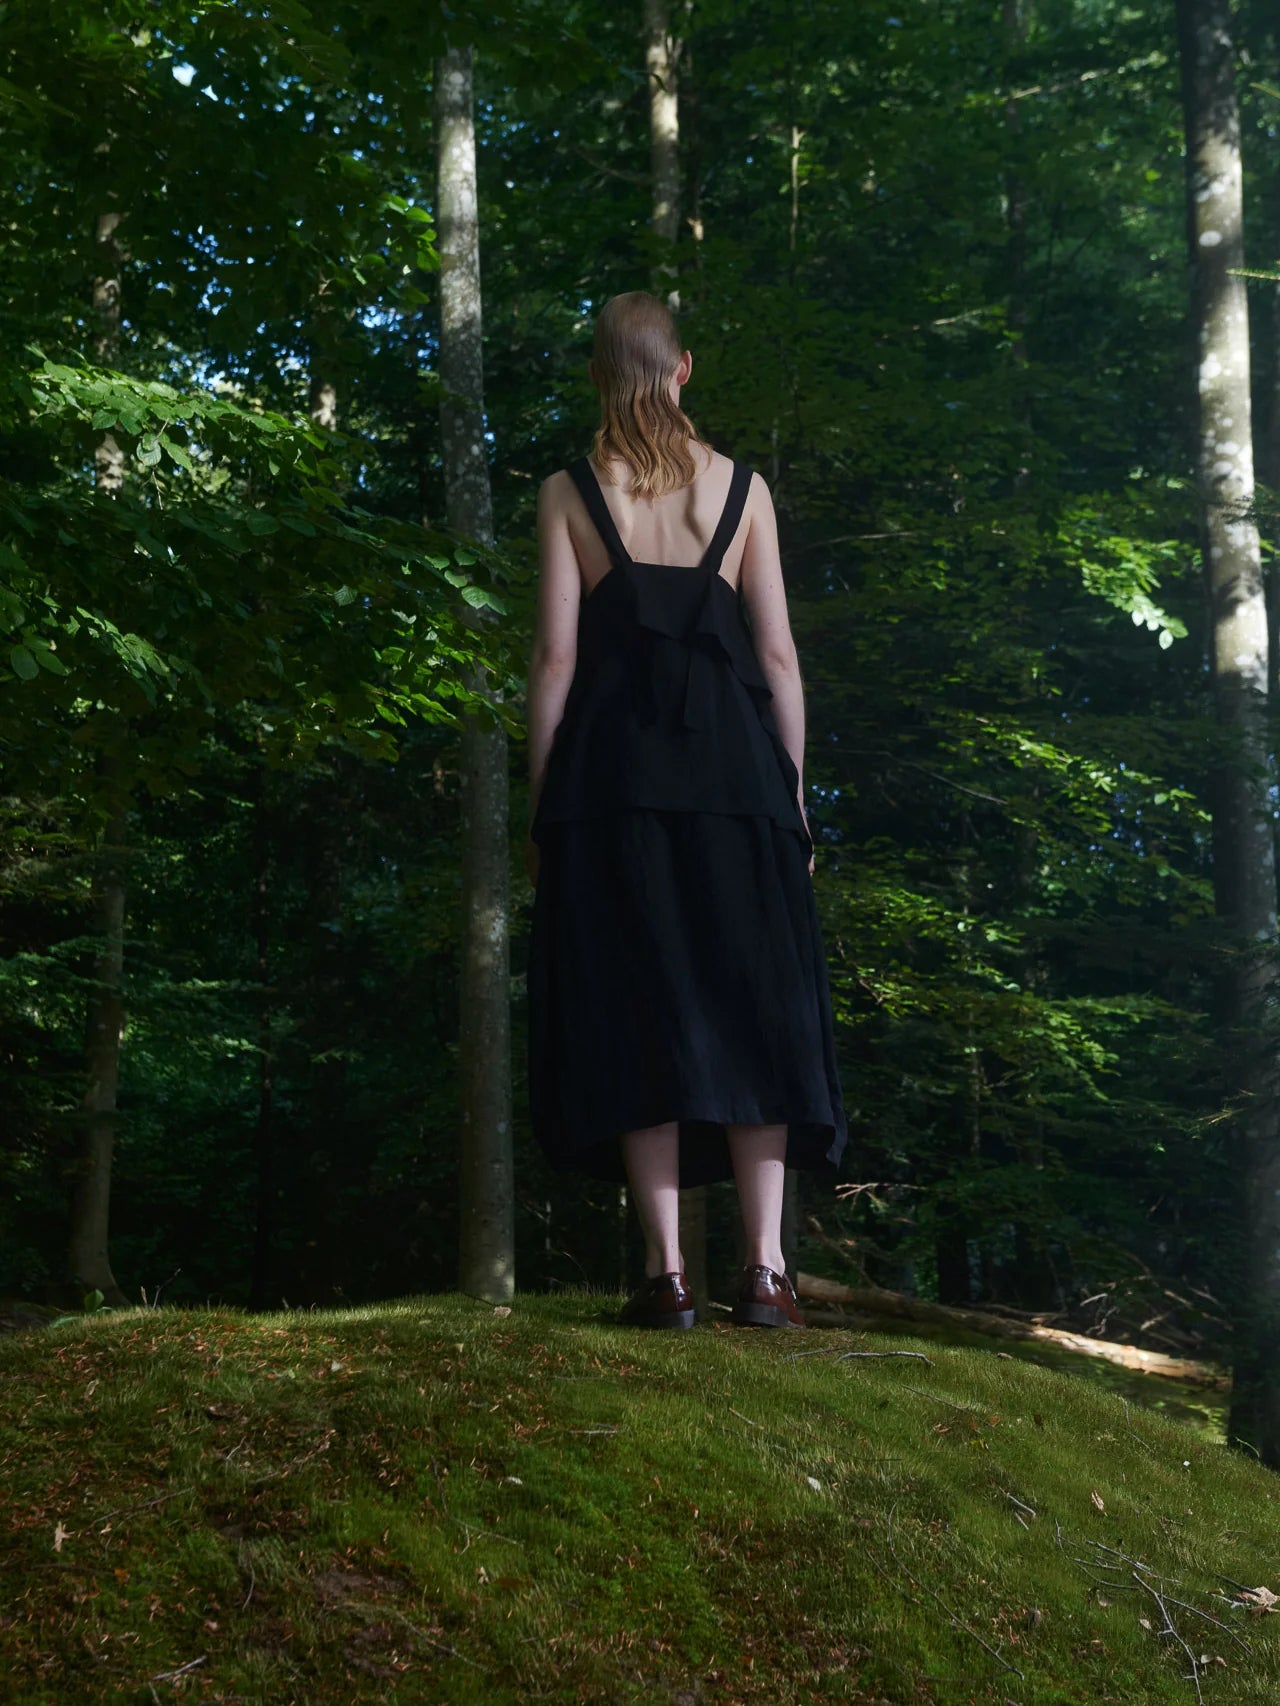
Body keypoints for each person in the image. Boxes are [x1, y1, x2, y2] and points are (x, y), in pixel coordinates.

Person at [524, 290, 848, 1331]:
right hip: (740, 787)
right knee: (757, 1003)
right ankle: (765, 1272)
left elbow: (555, 662)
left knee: (639, 1006)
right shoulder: (742, 490)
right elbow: (778, 657)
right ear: (682, 370)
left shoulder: (568, 494)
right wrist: (793, 798)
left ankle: (665, 1278)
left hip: (612, 788)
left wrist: (543, 810)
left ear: (599, 377)